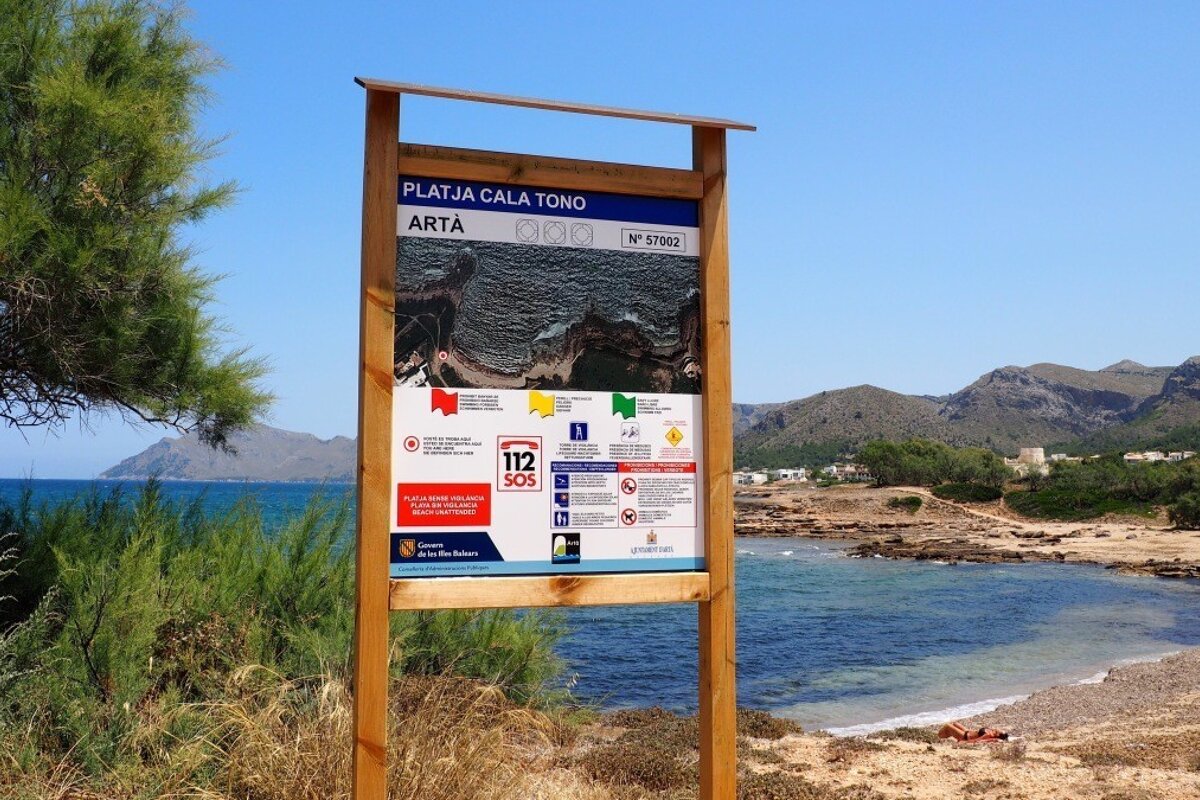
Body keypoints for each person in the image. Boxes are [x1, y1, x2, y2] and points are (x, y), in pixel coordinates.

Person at [938, 722, 1010, 743]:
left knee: (948, 726)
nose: (1000, 729)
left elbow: (977, 740)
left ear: (998, 734)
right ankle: (942, 737)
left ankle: (937, 737)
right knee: (954, 724)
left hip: (964, 736)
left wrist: (964, 741)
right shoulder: (992, 731)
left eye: (1001, 731)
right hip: (967, 731)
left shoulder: (988, 735)